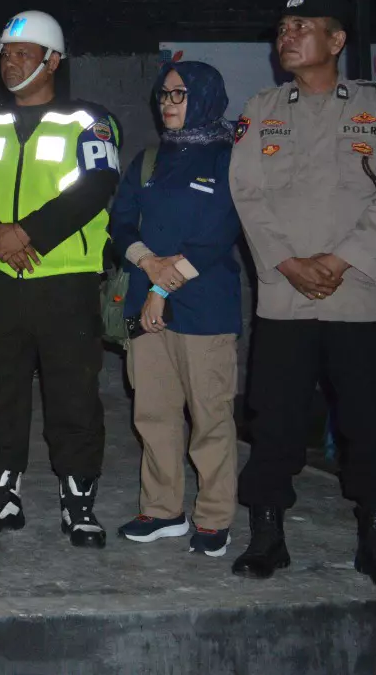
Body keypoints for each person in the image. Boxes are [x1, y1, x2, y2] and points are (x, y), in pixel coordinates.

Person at [228, 0, 376, 588]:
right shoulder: (262, 109)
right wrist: (287, 262)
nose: (287, 37)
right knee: (273, 422)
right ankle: (267, 537)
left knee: (369, 424)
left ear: (337, 40)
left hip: (357, 295)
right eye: (282, 28)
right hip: (285, 296)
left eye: (301, 26)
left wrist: (342, 259)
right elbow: (246, 193)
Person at [0, 10, 121, 547]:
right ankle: (1, 495)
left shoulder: (89, 121)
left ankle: (78, 503)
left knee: (73, 393)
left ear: (53, 61)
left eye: (23, 53)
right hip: (0, 278)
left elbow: (96, 186)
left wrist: (28, 234)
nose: (11, 62)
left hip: (66, 279)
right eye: (6, 53)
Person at [109, 61, 241, 557]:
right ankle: (163, 510)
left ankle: (214, 518)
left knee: (210, 418)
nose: (168, 103)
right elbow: (120, 222)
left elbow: (219, 232)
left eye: (179, 94)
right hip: (148, 305)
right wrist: (146, 261)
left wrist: (163, 286)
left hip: (204, 308)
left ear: (205, 97)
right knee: (153, 413)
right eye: (164, 94)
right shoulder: (148, 159)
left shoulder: (230, 157)